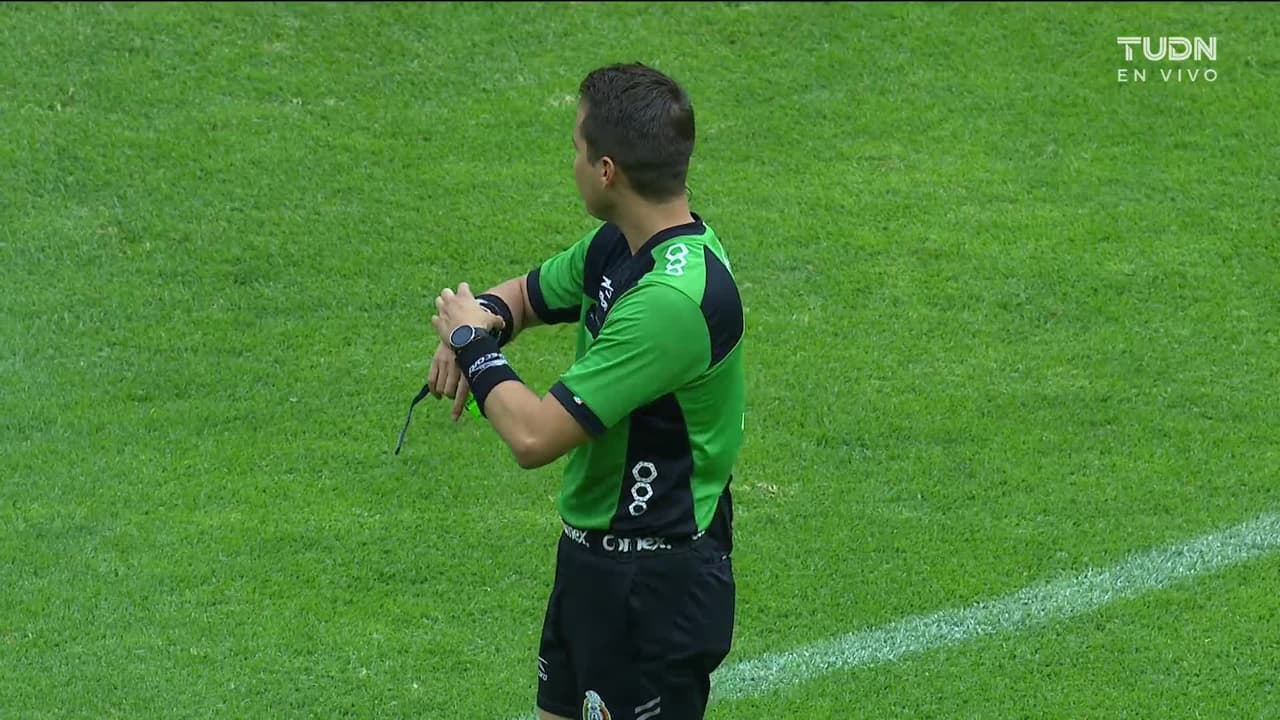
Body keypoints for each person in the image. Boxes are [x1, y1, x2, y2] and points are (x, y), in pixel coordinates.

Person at [425, 63, 745, 720]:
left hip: (653, 586)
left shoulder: (671, 302)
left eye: (575, 148)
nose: (569, 162)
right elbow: (525, 295)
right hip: (592, 562)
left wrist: (470, 345)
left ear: (606, 170)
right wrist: (484, 316)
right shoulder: (621, 246)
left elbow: (534, 436)